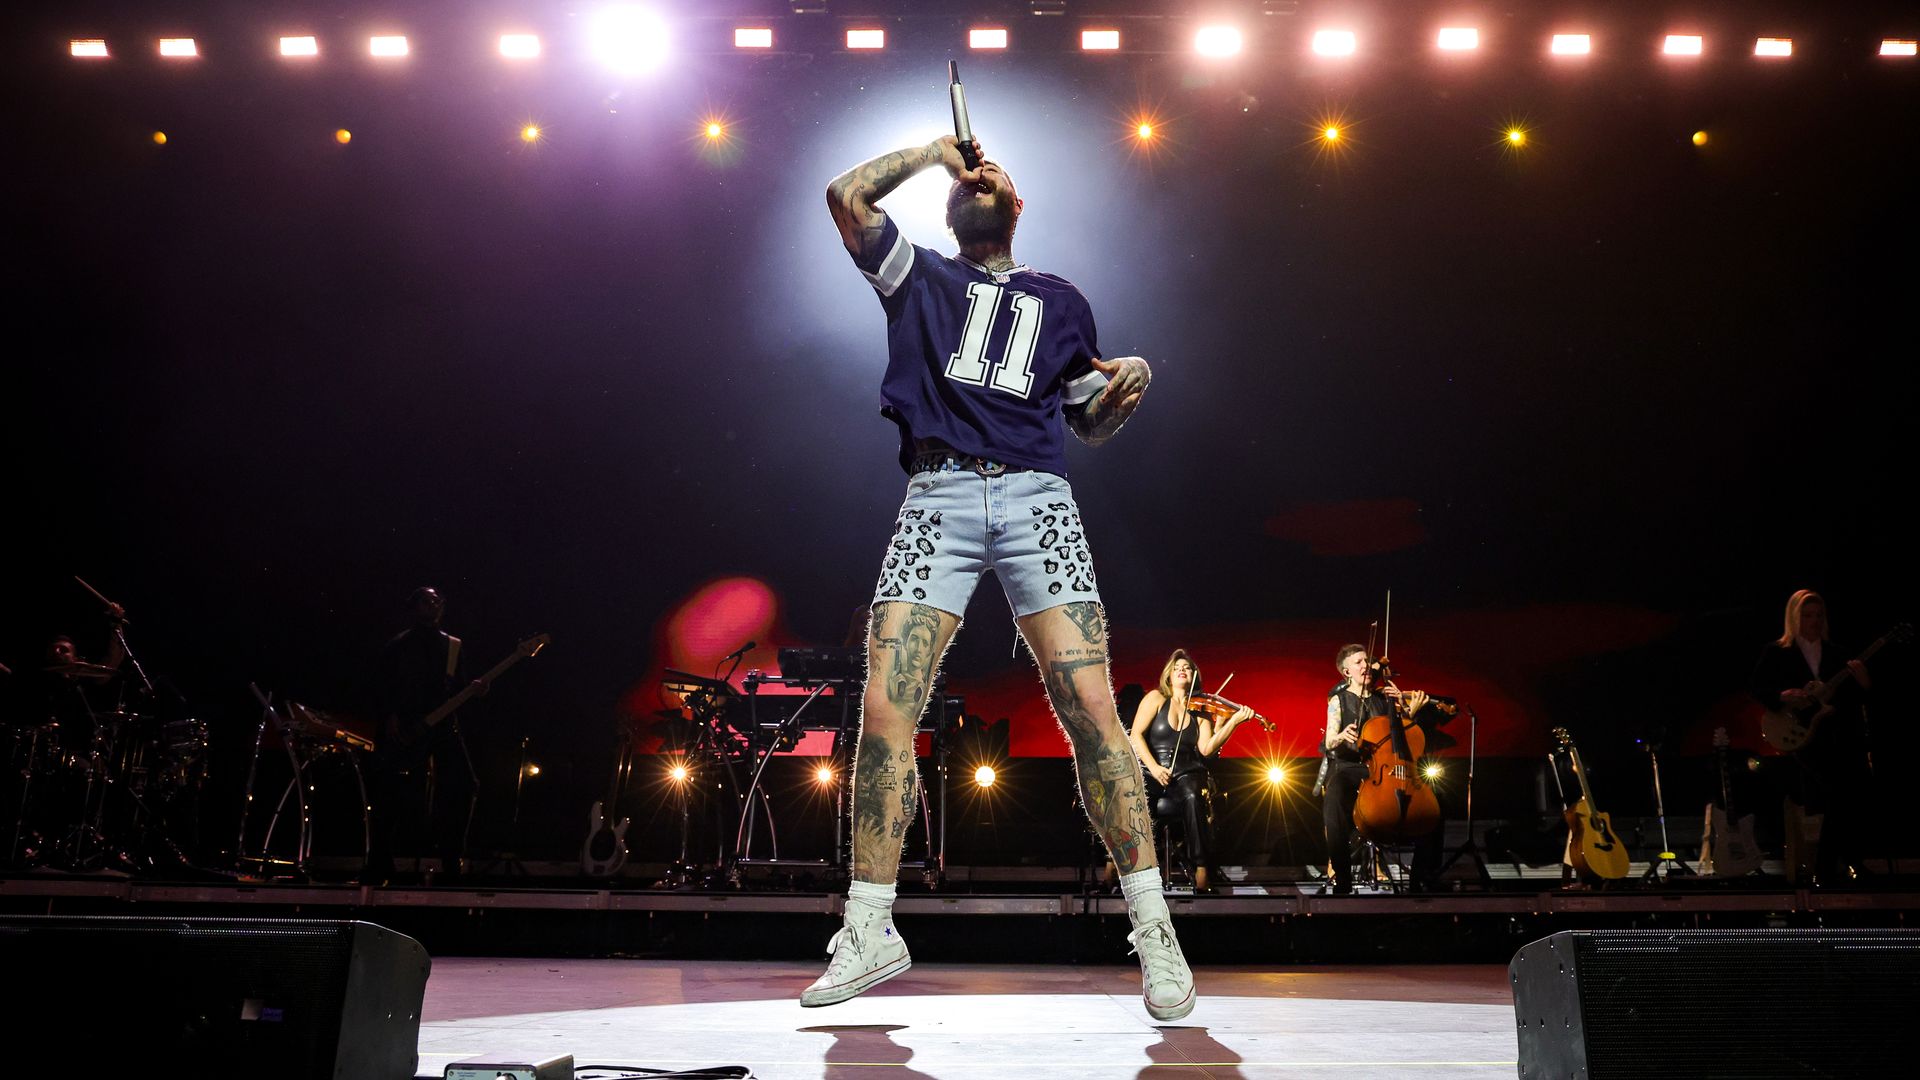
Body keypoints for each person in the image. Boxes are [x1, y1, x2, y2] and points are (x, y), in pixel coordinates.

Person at [808, 133, 1192, 1019]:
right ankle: (871, 928)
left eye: (995, 180)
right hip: (935, 495)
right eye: (969, 181)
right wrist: (938, 153)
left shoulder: (1063, 300)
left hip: (1038, 501)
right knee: (882, 714)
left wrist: (1125, 389)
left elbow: (1084, 423)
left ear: (1016, 208)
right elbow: (846, 194)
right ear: (956, 205)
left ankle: (1156, 928)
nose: (982, 184)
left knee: (1094, 713)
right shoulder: (920, 278)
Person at [1748, 589, 1874, 884]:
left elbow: (1851, 698)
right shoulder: (1778, 652)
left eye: (1819, 615)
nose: (1814, 621)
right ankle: (1835, 865)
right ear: (1794, 617)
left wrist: (1864, 684)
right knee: (1834, 796)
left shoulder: (1838, 654)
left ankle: (1838, 864)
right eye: (1807, 615)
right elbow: (1756, 688)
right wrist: (1783, 695)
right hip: (1804, 739)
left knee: (1850, 798)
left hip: (1839, 735)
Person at [368, 587, 479, 884]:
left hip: (442, 725)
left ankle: (451, 857)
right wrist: (391, 714)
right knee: (392, 791)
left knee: (464, 785)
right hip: (406, 726)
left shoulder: (454, 646)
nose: (434, 606)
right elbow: (382, 685)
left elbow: (458, 687)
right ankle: (380, 860)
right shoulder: (398, 645)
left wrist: (474, 690)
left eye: (438, 601)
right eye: (427, 601)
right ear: (414, 606)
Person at [1127, 650, 1254, 893]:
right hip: (1154, 769)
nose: (1182, 670)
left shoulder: (1201, 708)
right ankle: (1120, 864)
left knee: (1194, 796)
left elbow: (1206, 749)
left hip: (1187, 771)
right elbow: (1136, 736)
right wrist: (1154, 768)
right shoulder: (1155, 698)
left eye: (1187, 667)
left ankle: (1202, 867)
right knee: (1130, 797)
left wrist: (1233, 723)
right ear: (1169, 675)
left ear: (1194, 675)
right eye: (1177, 668)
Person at [1321, 644, 1430, 894]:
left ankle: (1421, 876)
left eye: (1367, 661)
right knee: (1335, 792)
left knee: (1432, 803)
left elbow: (1405, 740)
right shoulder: (1338, 700)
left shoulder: (1384, 697)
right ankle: (1342, 874)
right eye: (1359, 662)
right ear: (1346, 671)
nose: (1366, 666)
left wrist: (1409, 712)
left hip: (1385, 768)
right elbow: (1329, 741)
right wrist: (1341, 735)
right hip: (1351, 766)